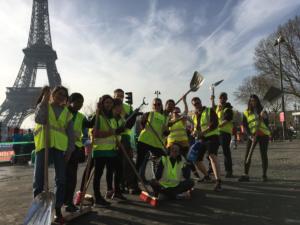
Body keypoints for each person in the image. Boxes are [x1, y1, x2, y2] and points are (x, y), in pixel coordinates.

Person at [33, 86, 74, 224]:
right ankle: (39, 212)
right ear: (53, 94)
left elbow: (70, 133)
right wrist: (44, 99)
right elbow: (39, 119)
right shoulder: (44, 105)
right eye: (59, 93)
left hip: (59, 148)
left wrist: (69, 150)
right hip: (44, 146)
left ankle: (57, 210)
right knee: (39, 180)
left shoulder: (67, 113)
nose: (61, 96)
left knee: (61, 180)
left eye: (64, 95)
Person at [92, 95, 125, 207]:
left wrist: (117, 141)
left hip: (112, 150)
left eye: (110, 103)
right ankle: (98, 198)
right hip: (100, 151)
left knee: (119, 169)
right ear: (102, 103)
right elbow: (95, 134)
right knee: (98, 175)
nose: (109, 105)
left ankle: (116, 191)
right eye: (106, 102)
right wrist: (113, 132)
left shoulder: (112, 118)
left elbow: (115, 133)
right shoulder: (98, 116)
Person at [64, 93, 90, 212]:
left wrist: (98, 111)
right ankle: (63, 201)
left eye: (82, 103)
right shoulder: (62, 112)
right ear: (70, 101)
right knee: (63, 177)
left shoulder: (80, 116)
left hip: (74, 149)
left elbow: (89, 124)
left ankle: (69, 201)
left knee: (72, 177)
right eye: (78, 102)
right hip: (62, 147)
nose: (80, 105)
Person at [190, 97, 222, 191]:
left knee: (212, 156)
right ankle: (207, 176)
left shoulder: (209, 110)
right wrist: (193, 132)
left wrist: (202, 132)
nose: (197, 105)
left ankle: (218, 181)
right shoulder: (194, 115)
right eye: (195, 104)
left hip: (212, 137)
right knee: (195, 159)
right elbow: (196, 128)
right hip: (202, 139)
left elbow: (214, 123)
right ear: (193, 105)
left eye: (198, 102)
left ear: (201, 102)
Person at [239, 94, 270, 182]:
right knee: (247, 154)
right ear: (249, 102)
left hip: (263, 135)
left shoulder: (263, 111)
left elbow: (267, 124)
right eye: (251, 100)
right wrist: (250, 136)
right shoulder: (246, 112)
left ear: (257, 101)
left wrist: (265, 117)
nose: (253, 102)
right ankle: (245, 175)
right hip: (252, 136)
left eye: (255, 100)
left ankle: (264, 175)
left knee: (263, 155)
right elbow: (244, 126)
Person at [113, 89, 140, 194]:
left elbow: (130, 125)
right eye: (118, 95)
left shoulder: (128, 107)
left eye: (121, 96)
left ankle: (131, 185)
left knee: (128, 162)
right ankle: (119, 186)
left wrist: (132, 116)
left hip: (124, 137)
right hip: (113, 137)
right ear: (113, 95)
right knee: (117, 163)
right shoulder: (110, 105)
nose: (120, 97)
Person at [136, 98, 168, 182]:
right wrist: (142, 120)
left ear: (161, 105)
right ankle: (133, 183)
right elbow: (142, 126)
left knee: (165, 158)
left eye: (158, 104)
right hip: (144, 141)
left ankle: (156, 180)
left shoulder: (165, 118)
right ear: (152, 106)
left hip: (156, 144)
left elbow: (165, 133)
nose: (156, 106)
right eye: (154, 104)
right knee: (139, 162)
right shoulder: (148, 114)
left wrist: (166, 131)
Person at [212, 92, 234, 178]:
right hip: (217, 132)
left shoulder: (228, 109)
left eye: (224, 98)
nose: (222, 99)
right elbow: (213, 110)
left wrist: (216, 125)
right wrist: (212, 100)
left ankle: (229, 171)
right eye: (221, 97)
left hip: (225, 133)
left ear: (226, 99)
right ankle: (212, 169)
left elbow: (227, 120)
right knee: (213, 152)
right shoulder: (218, 108)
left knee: (226, 152)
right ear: (219, 98)